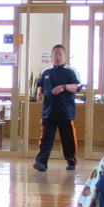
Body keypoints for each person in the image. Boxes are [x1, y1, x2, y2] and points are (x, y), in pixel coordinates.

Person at [32, 44, 81, 172]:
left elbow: (77, 87)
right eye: (55, 54)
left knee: (68, 137)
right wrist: (39, 92)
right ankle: (41, 162)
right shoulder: (46, 72)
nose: (58, 57)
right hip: (48, 111)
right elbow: (40, 84)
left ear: (65, 56)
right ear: (51, 56)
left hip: (66, 111)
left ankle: (71, 160)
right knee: (46, 138)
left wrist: (64, 86)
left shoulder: (71, 71)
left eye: (60, 54)